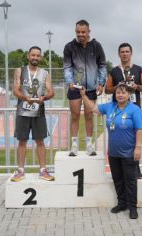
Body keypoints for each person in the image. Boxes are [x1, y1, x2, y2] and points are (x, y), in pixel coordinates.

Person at [80, 84, 142, 219]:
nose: (120, 95)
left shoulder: (135, 109)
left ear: (129, 95)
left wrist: (138, 147)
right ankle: (122, 204)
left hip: (129, 152)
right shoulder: (110, 107)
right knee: (118, 179)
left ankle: (133, 207)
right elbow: (93, 108)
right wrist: (83, 95)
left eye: (123, 93)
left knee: (130, 180)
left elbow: (139, 130)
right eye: (118, 92)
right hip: (113, 152)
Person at [105, 42, 142, 179]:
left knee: (135, 139)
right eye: (122, 52)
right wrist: (117, 86)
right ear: (119, 54)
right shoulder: (114, 71)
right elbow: (107, 89)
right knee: (121, 139)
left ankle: (136, 168)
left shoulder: (138, 69)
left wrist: (136, 86)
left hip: (134, 108)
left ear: (131, 53)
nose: (124, 54)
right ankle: (120, 169)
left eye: (127, 51)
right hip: (117, 109)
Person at [63, 19, 107, 156]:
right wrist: (69, 80)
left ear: (89, 32)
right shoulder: (69, 47)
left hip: (91, 89)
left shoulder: (97, 46)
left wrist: (101, 83)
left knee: (89, 116)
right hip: (75, 87)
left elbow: (102, 65)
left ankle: (89, 144)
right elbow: (67, 66)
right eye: (78, 32)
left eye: (83, 32)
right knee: (75, 115)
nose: (80, 34)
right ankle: (74, 145)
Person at [11, 46, 55, 182]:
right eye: (33, 55)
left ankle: (43, 170)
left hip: (38, 112)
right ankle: (20, 170)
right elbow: (15, 90)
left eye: (37, 55)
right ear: (28, 56)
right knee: (22, 141)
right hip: (22, 111)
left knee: (40, 141)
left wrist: (45, 98)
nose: (35, 57)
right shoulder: (20, 71)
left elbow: (51, 91)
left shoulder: (45, 73)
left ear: (40, 57)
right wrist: (25, 98)